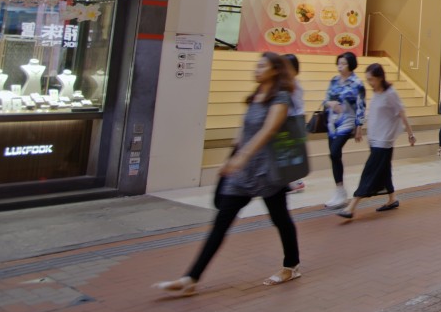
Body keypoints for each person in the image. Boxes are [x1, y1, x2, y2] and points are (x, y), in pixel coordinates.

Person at [154, 53, 300, 296]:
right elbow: (245, 131)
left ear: (275, 70)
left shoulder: (281, 97)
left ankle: (291, 265)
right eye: (257, 65)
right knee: (221, 223)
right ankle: (191, 278)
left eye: (262, 65)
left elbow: (268, 130)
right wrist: (232, 157)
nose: (257, 69)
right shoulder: (256, 96)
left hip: (268, 172)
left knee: (280, 219)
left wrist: (242, 157)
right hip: (243, 174)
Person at [337, 64, 416, 219]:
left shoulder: (390, 93)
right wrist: (360, 128)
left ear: (380, 77)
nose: (369, 82)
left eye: (371, 79)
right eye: (367, 79)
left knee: (369, 171)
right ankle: (392, 199)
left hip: (384, 141)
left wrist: (410, 134)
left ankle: (352, 207)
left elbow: (401, 113)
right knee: (384, 170)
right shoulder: (376, 93)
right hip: (374, 139)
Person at [323, 52, 365, 210]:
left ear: (351, 65)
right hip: (332, 123)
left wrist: (359, 126)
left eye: (344, 63)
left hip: (347, 123)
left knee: (334, 152)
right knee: (335, 156)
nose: (340, 66)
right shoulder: (333, 80)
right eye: (339, 63)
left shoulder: (357, 83)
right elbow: (325, 100)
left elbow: (361, 106)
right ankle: (339, 190)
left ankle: (341, 192)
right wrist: (331, 104)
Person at [283, 54, 307, 193]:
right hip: (286, 123)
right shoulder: (285, 83)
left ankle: (296, 182)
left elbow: (299, 107)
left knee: (290, 154)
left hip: (291, 123)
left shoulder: (295, 85)